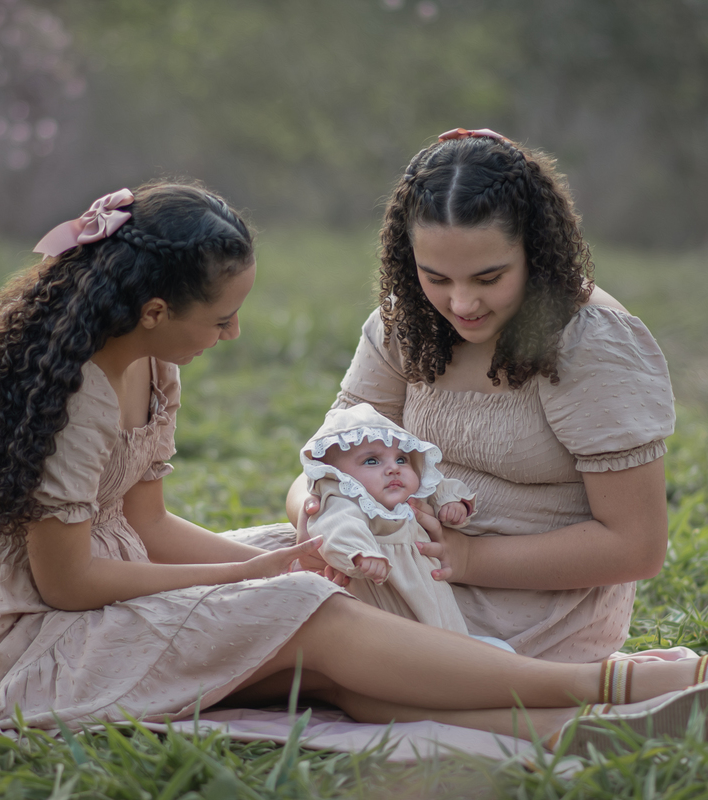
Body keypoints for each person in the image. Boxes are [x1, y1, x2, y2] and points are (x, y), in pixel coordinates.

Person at [0, 180, 708, 758]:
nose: (234, 334)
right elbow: (68, 581)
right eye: (224, 315)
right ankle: (617, 690)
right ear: (156, 310)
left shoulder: (152, 372)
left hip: (94, 597)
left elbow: (156, 530)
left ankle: (595, 719)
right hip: (23, 638)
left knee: (303, 600)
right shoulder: (76, 395)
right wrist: (260, 573)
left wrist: (280, 559)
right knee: (297, 605)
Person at [288, 127, 679, 664]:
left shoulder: (589, 341)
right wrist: (317, 521)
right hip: (390, 557)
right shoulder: (406, 325)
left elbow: (637, 546)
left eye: (489, 277)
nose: (462, 302)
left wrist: (467, 558)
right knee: (224, 608)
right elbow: (326, 459)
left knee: (315, 649)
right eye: (436, 277)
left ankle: (577, 693)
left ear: (536, 256)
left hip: (535, 606)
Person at [301, 402, 476, 635]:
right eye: (372, 461)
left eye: (402, 459)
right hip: (388, 597)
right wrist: (360, 553)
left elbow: (440, 487)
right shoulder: (345, 501)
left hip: (433, 596)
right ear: (339, 476)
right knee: (410, 646)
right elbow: (338, 527)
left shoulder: (412, 497)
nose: (394, 468)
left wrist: (452, 503)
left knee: (451, 638)